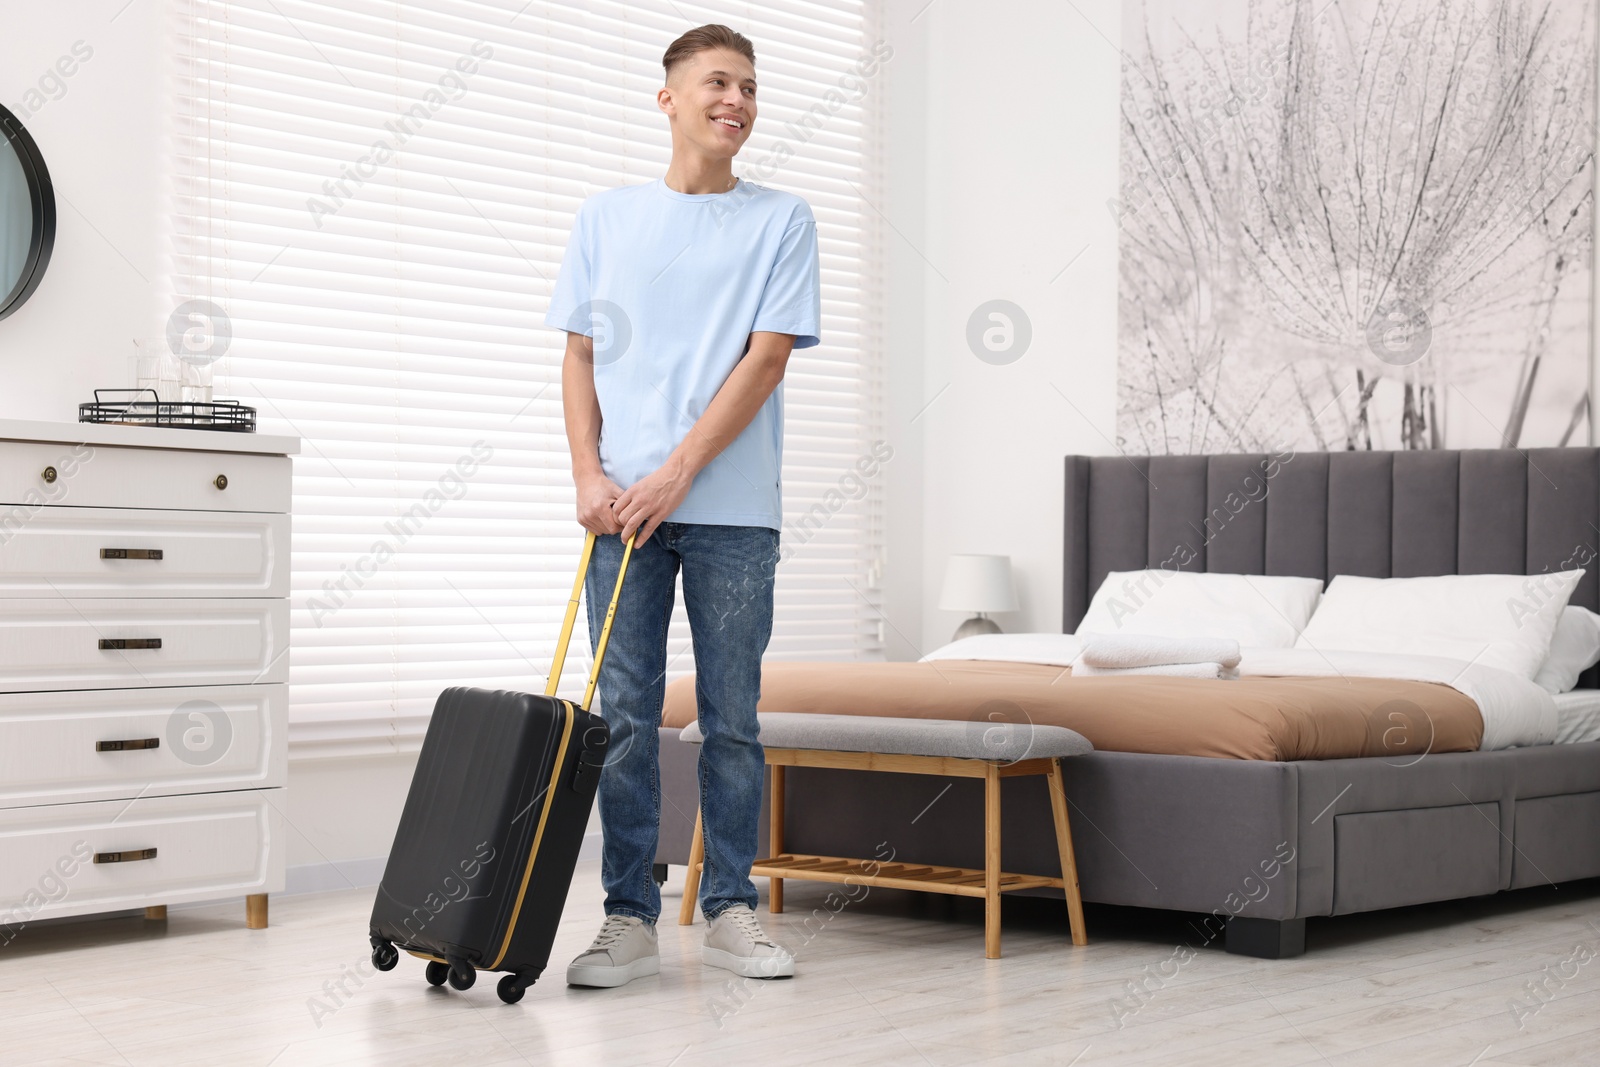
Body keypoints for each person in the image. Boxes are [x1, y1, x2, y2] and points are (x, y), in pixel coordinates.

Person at [543, 23, 822, 987]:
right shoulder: (605, 220)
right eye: (717, 83)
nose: (736, 101)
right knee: (621, 717)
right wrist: (590, 475)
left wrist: (680, 473)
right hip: (621, 511)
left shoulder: (782, 220)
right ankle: (627, 916)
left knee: (731, 716)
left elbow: (767, 358)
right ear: (668, 98)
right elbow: (579, 355)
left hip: (734, 514)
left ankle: (732, 908)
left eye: (749, 86)